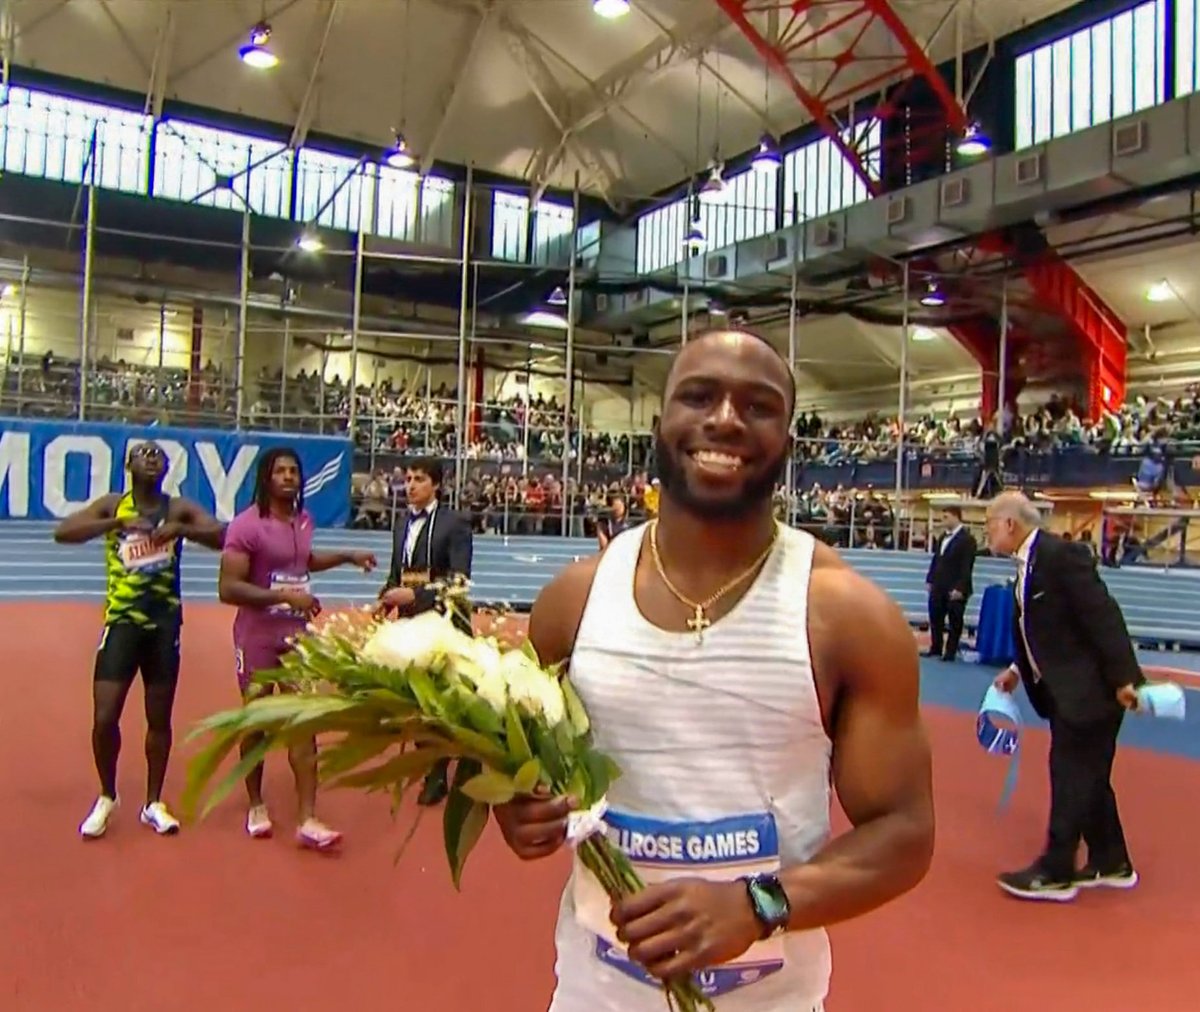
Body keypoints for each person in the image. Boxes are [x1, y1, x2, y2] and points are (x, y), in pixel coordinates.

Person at [492, 329, 935, 1012]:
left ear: (789, 439)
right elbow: (512, 762)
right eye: (698, 396)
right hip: (594, 995)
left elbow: (903, 833)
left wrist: (758, 905)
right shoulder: (571, 603)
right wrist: (514, 808)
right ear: (659, 423)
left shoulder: (848, 619)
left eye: (758, 406)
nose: (725, 418)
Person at [53, 440, 226, 840]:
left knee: (159, 718)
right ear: (128, 464)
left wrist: (182, 530)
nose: (152, 458)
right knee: (104, 717)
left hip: (163, 626)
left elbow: (222, 534)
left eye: (159, 455)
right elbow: (64, 532)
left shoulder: (177, 507)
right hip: (123, 623)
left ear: (167, 469)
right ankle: (107, 795)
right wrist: (115, 525)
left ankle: (153, 802)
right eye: (144, 453)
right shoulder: (114, 504)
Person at [985, 491, 1143, 902]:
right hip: (1065, 689)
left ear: (1010, 525)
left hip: (1091, 691)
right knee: (1089, 776)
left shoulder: (1060, 556)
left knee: (1070, 773)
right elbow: (1045, 627)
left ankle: (1057, 869)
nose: (986, 533)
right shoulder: (1028, 565)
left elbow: (1102, 615)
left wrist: (1126, 678)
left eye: (988, 524)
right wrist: (1018, 671)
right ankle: (1112, 861)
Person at [218, 447, 377, 849]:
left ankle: (308, 817)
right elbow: (228, 588)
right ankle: (256, 803)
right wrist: (286, 598)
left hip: (297, 637)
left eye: (294, 471)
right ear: (266, 478)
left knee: (304, 722)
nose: (288, 477)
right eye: (280, 471)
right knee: (256, 722)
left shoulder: (303, 520)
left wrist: (345, 556)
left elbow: (303, 561)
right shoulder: (246, 525)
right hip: (256, 636)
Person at [378, 456, 474, 806]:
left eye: (419, 478)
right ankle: (431, 761)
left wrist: (417, 594)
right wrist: (385, 599)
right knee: (417, 696)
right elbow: (396, 572)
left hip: (444, 620)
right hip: (409, 619)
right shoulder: (401, 524)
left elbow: (459, 579)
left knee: (443, 696)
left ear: (436, 485)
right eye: (408, 478)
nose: (411, 485)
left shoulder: (455, 523)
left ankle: (442, 768)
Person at [924, 505, 977, 661]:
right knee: (935, 617)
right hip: (939, 584)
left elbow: (966, 566)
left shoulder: (968, 539)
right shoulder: (942, 538)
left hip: (956, 587)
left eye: (946, 517)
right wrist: (930, 579)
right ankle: (936, 647)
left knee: (955, 621)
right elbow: (936, 560)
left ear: (956, 517)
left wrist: (960, 588)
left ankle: (950, 651)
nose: (943, 520)